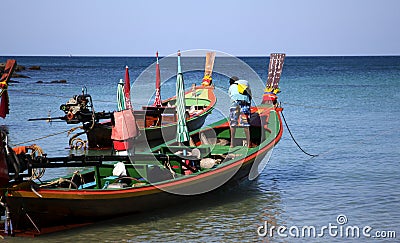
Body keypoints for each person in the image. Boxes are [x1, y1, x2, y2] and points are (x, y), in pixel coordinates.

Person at [228, 76, 252, 148]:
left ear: (231, 83)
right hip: (244, 103)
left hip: (234, 104)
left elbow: (230, 96)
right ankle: (248, 144)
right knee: (245, 124)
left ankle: (232, 144)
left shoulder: (231, 87)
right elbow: (250, 95)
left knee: (233, 123)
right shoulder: (245, 84)